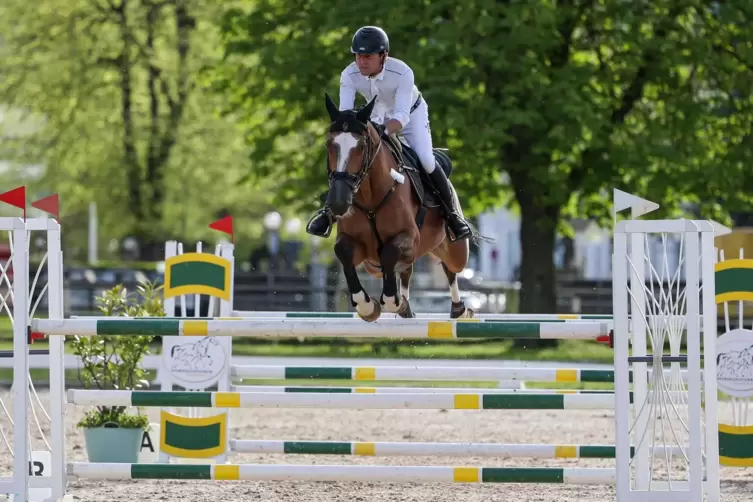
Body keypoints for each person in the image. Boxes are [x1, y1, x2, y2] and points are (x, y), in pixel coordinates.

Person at [306, 26, 472, 240]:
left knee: (426, 160)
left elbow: (401, 117)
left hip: (411, 115)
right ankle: (329, 212)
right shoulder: (349, 74)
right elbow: (345, 114)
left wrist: (382, 131)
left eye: (368, 56)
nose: (361, 61)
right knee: (347, 155)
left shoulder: (402, 72)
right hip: (375, 116)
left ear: (384, 56)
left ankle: (453, 217)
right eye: (358, 55)